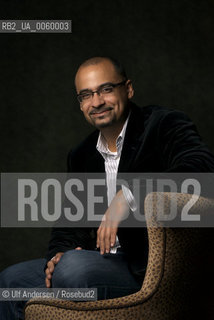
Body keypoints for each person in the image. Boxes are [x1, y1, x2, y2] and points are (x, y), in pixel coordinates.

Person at [1, 56, 214, 320]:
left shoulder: (164, 125)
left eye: (106, 89)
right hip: (99, 262)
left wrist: (130, 194)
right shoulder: (81, 155)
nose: (97, 102)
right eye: (86, 95)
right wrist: (57, 255)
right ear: (80, 104)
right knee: (10, 282)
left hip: (150, 271)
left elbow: (202, 170)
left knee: (73, 269)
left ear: (128, 88)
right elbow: (69, 224)